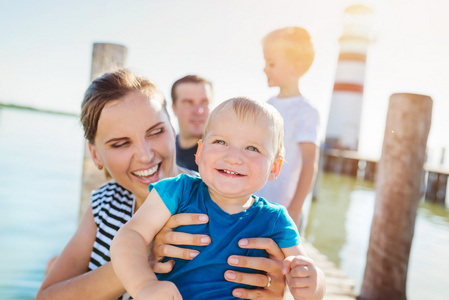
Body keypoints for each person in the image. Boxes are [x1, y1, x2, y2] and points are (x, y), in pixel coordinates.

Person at [35, 69, 292, 300]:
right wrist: (142, 260)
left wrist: (282, 285)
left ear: (172, 127)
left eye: (156, 131)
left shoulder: (217, 196)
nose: (145, 155)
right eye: (121, 143)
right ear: (95, 155)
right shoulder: (104, 203)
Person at [111, 97, 325, 300]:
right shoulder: (178, 191)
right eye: (221, 142)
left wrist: (313, 283)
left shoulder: (275, 219)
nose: (233, 157)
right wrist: (143, 285)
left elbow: (304, 268)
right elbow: (130, 235)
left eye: (252, 148)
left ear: (274, 167)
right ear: (199, 152)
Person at [258, 27, 320, 230]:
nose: (265, 68)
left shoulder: (306, 111)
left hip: (284, 207)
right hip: (255, 201)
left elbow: (310, 161)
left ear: (295, 66)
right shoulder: (266, 105)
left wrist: (295, 207)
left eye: (272, 63)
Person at [171, 75, 213, 172]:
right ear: (174, 109)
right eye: (188, 103)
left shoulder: (221, 156)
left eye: (204, 103)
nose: (199, 111)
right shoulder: (164, 153)